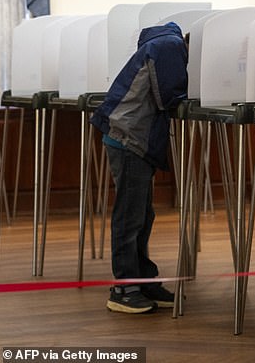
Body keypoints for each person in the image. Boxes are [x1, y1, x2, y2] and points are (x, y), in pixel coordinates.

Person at [91, 22, 188, 313]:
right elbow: (169, 95)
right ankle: (123, 288)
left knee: (142, 215)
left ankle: (143, 279)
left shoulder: (162, 44)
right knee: (130, 216)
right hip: (128, 138)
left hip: (129, 135)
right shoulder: (169, 47)